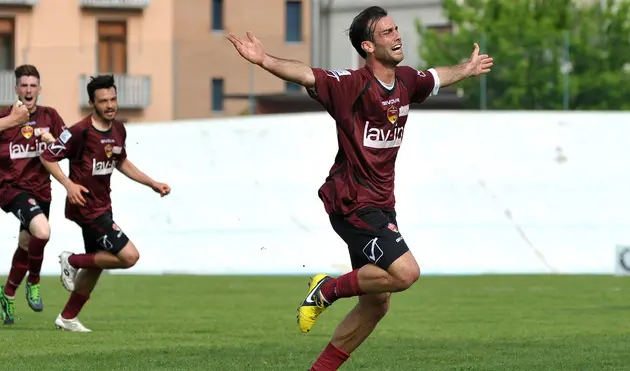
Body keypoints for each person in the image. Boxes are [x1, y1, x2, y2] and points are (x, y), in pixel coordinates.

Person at [227, 5, 493, 370]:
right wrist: (262, 60)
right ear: (367, 46)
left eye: (396, 29)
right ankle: (326, 289)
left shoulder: (405, 80)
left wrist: (466, 68)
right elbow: (306, 74)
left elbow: (436, 76)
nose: (397, 35)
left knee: (376, 303)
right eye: (387, 32)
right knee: (406, 273)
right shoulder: (351, 84)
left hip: (382, 204)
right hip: (352, 201)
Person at [40, 75, 171, 332]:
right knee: (129, 256)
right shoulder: (79, 131)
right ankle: (73, 260)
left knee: (98, 264)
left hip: (103, 205)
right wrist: (68, 185)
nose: (110, 105)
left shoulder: (119, 129)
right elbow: (47, 156)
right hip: (86, 207)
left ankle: (67, 317)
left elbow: (120, 162)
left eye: (113, 99)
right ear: (92, 103)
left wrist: (151, 183)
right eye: (103, 101)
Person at [0, 64, 66, 325]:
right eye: (23, 85)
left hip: (41, 190)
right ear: (16, 89)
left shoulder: (50, 116)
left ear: (39, 89)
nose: (28, 90)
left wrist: (52, 140)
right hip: (11, 189)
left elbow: (68, 147)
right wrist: (11, 122)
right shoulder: (6, 117)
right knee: (43, 231)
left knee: (27, 245)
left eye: (33, 85)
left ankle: (7, 294)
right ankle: (34, 282)